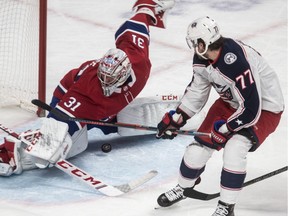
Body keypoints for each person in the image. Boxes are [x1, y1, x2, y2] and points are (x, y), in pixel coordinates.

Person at [0, 0, 175, 176]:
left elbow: (132, 28)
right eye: (103, 77)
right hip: (70, 94)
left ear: (124, 75)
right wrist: (52, 143)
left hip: (96, 104)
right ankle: (11, 155)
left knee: (115, 122)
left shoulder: (139, 62)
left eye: (110, 79)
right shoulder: (89, 89)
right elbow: (59, 122)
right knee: (67, 146)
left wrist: (146, 8)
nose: (105, 83)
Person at [155, 16, 284, 216]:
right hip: (231, 103)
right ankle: (183, 188)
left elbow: (252, 108)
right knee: (197, 150)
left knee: (234, 149)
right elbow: (197, 91)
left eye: (194, 42)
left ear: (202, 43)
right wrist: (179, 117)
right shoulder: (202, 57)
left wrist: (225, 129)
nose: (193, 46)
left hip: (265, 108)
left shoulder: (236, 62)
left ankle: (226, 207)